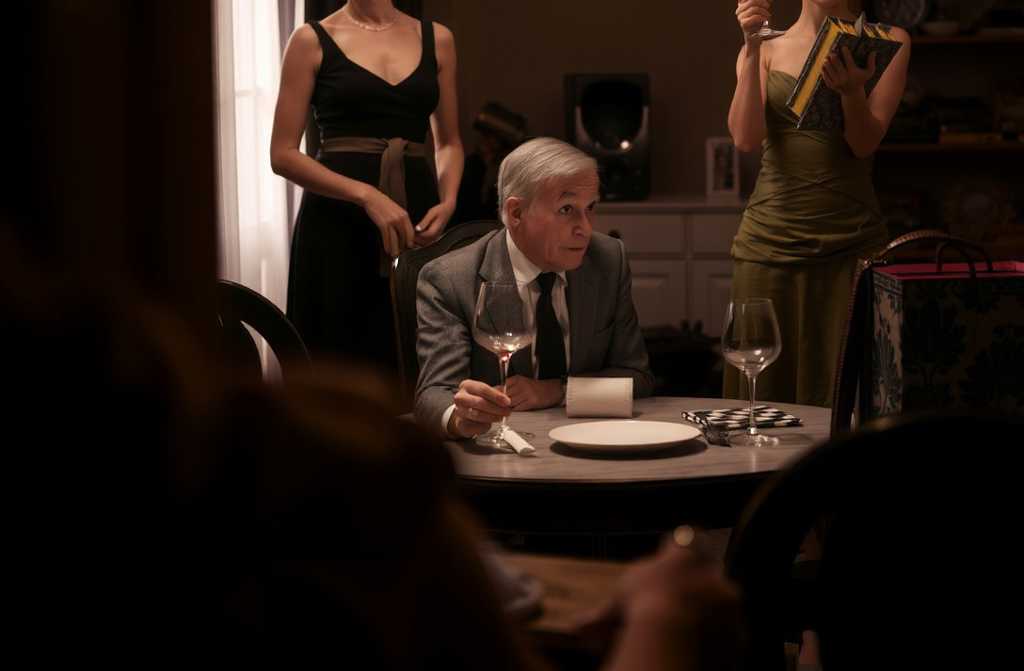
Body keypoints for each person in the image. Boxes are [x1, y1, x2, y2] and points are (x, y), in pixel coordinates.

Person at [726, 0, 910, 407]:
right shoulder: (765, 47)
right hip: (768, 243)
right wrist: (751, 46)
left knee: (849, 392)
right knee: (762, 390)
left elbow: (863, 144)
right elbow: (744, 138)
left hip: (851, 244)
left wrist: (852, 93)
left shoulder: (887, 41)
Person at [414, 137, 655, 439]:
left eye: (590, 207)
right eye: (566, 209)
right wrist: (461, 418)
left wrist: (556, 391)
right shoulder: (449, 279)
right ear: (516, 213)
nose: (585, 227)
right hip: (498, 449)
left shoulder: (607, 259)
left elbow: (637, 378)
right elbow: (433, 394)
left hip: (594, 440)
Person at [271, 0, 463, 370]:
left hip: (415, 216)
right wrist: (367, 195)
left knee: (416, 350)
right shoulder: (310, 40)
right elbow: (282, 154)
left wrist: (449, 200)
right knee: (336, 353)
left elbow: (450, 143)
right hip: (335, 221)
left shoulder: (438, 39)